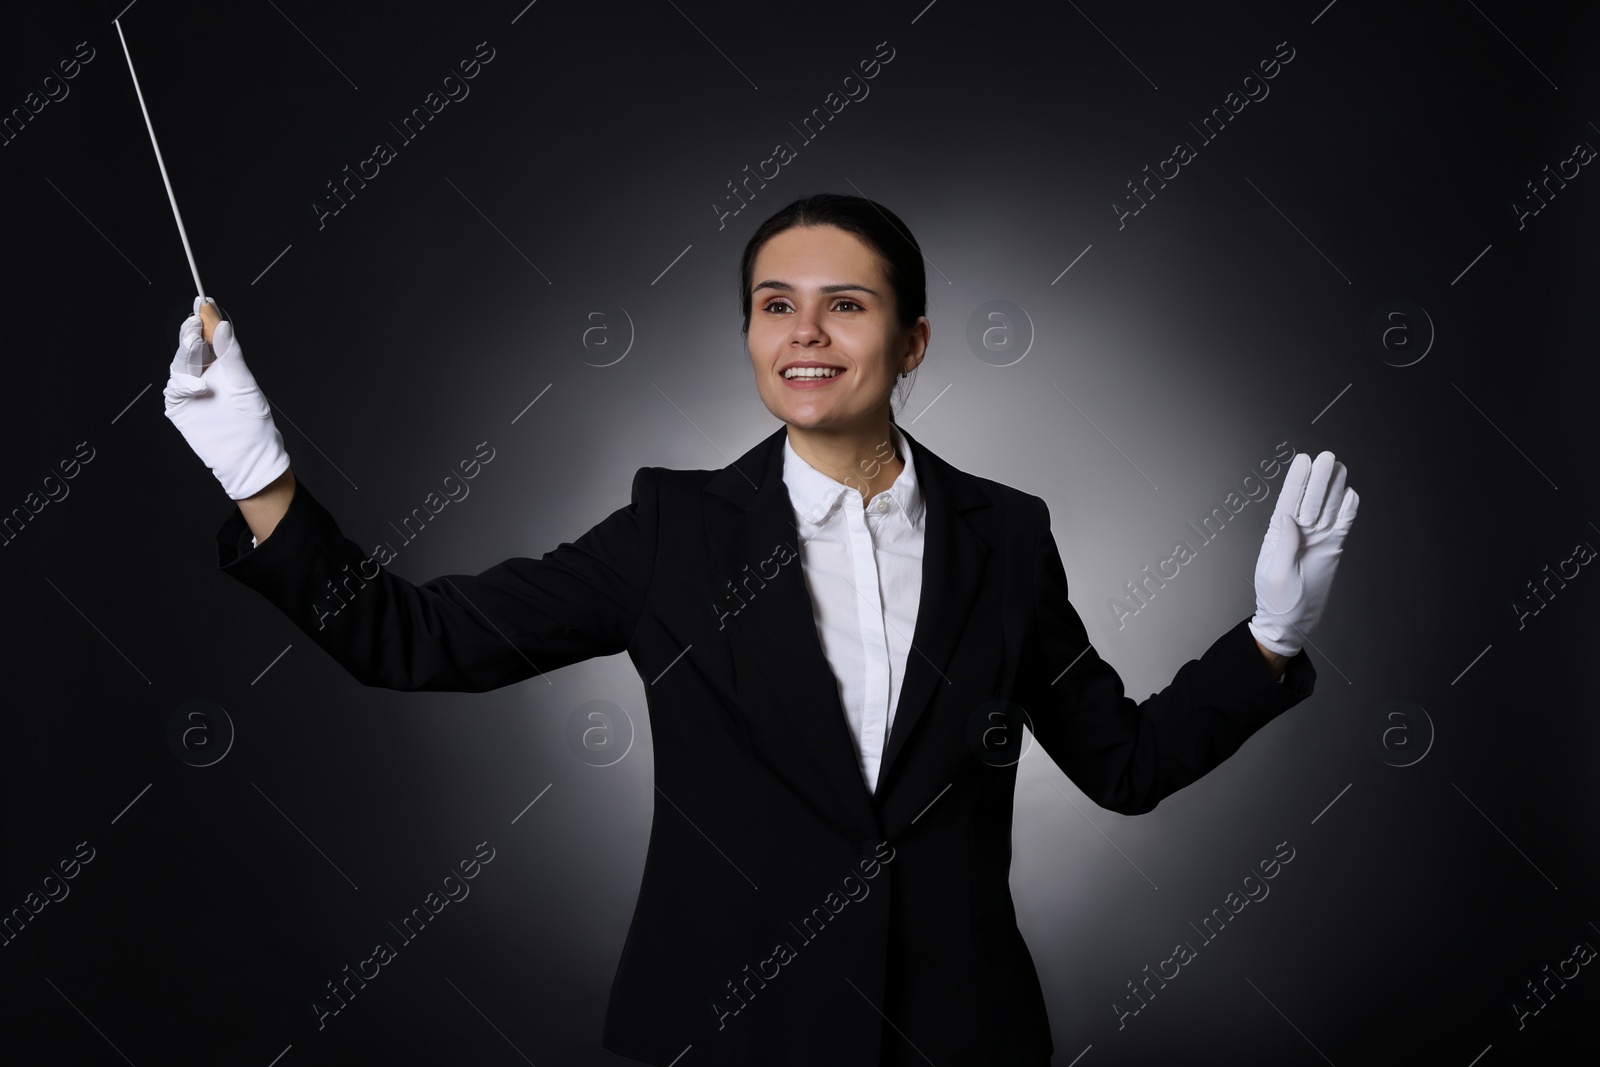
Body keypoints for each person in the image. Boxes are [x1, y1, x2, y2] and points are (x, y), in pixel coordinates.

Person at [164, 193, 1357, 1066]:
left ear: (914, 341)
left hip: (960, 1039)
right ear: (745, 335)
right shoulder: (672, 528)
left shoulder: (1006, 535)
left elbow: (1122, 763)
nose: (805, 335)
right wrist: (258, 474)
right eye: (775, 307)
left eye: (845, 306)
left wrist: (1266, 639)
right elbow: (409, 638)